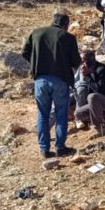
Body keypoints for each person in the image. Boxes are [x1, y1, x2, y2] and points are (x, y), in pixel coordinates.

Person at [22, 13, 81, 158]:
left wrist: (36, 62)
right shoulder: (68, 38)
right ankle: (60, 148)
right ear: (66, 25)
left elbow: (24, 52)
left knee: (43, 114)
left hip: (40, 80)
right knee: (61, 114)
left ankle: (44, 149)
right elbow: (76, 62)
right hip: (60, 80)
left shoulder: (36, 33)